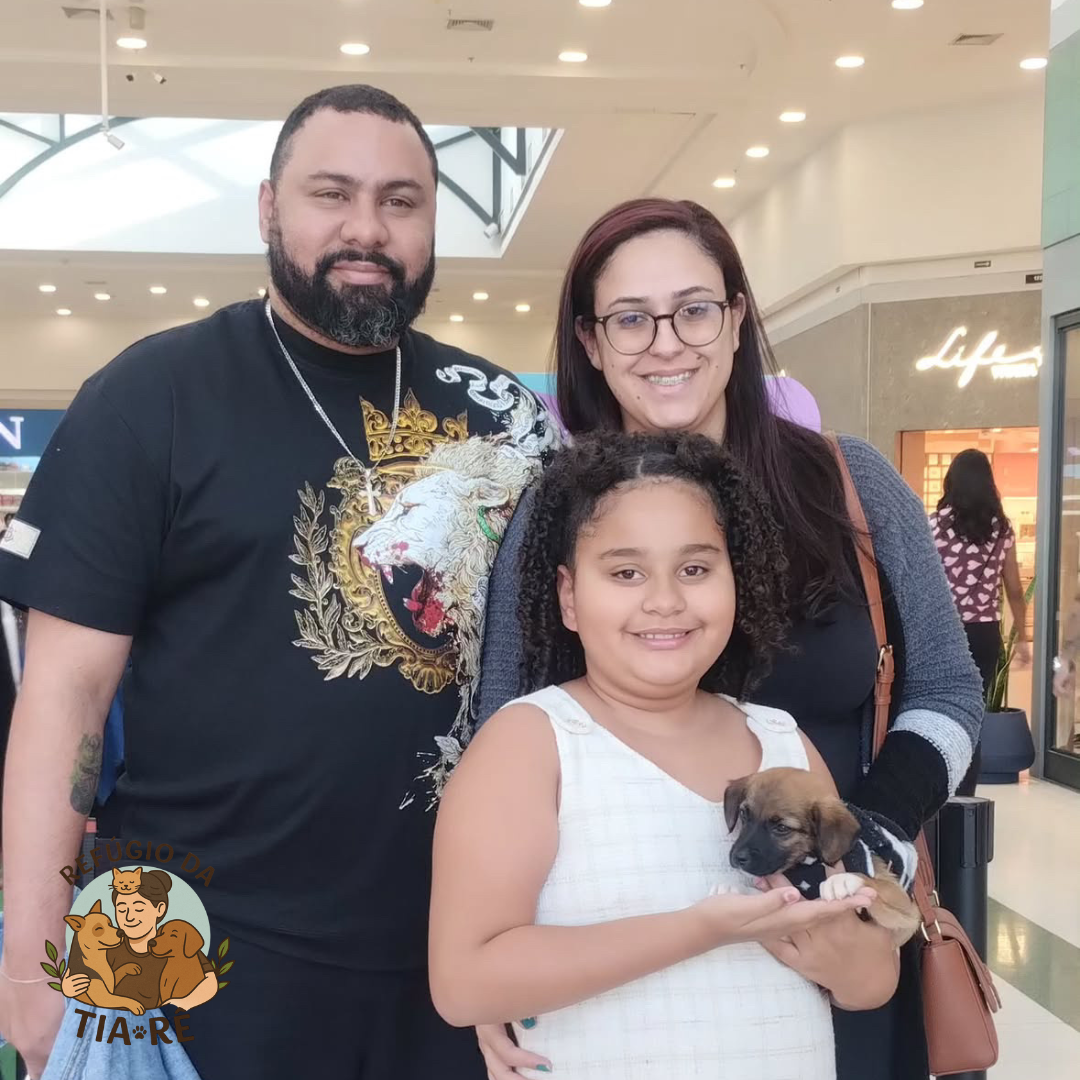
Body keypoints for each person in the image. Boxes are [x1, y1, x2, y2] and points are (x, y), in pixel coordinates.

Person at [0, 84, 553, 1080]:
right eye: (330, 193)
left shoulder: (504, 416)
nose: (366, 228)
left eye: (400, 200)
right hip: (186, 945)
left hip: (452, 952)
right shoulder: (151, 396)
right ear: (267, 208)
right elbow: (64, 696)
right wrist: (35, 967)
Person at [476, 199, 984, 1080]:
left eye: (695, 309)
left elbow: (947, 686)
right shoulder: (557, 509)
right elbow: (503, 721)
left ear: (738, 319)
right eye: (630, 319)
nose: (666, 343)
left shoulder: (850, 483)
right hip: (614, 964)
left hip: (837, 939)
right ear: (591, 341)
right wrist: (495, 954)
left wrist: (873, 835)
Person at [431, 432, 893, 1080]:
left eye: (695, 569)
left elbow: (873, 981)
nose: (665, 600)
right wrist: (700, 930)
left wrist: (838, 945)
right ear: (569, 596)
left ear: (736, 580)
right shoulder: (531, 744)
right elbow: (464, 985)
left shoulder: (783, 744)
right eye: (626, 573)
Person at [930, 449, 1030, 794]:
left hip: (942, 631)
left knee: (936, 708)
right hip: (984, 633)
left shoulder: (934, 524)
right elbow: (1014, 589)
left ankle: (936, 788)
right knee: (972, 715)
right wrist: (1022, 637)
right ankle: (965, 796)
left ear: (951, 481)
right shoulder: (1001, 529)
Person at [61, 869, 217, 1014]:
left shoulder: (174, 944)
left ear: (160, 909)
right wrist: (67, 988)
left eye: (138, 909)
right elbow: (79, 970)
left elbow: (209, 981)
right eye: (122, 909)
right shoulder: (107, 945)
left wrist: (180, 1004)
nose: (129, 917)